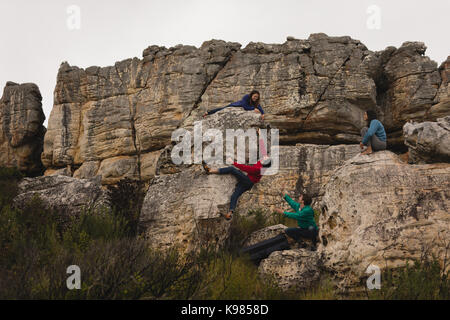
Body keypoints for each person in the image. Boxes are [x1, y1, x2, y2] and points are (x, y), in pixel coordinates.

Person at [202, 130, 271, 220]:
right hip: (249, 184)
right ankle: (230, 212)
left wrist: (233, 163)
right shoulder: (263, 163)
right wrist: (260, 135)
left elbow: (244, 168)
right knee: (235, 195)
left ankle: (210, 170)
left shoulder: (258, 169)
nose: (265, 156)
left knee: (232, 170)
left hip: (248, 180)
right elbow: (262, 148)